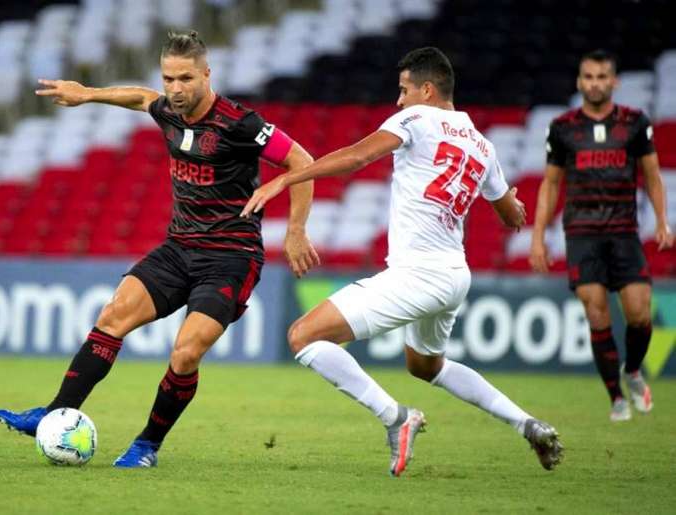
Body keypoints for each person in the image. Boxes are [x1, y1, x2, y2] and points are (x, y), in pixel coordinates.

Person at [0, 31, 320, 467]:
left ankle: (147, 444)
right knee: (113, 316)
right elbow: (139, 98)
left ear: (207, 74)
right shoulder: (167, 109)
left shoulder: (241, 123)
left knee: (185, 353)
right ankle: (53, 414)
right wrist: (88, 94)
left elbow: (301, 160)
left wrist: (296, 229)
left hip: (230, 258)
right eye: (169, 78)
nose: (175, 88)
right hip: (179, 248)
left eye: (186, 78)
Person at [241, 47, 563, 475]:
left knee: (303, 335)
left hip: (419, 273)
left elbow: (358, 156)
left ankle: (396, 417)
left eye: (404, 90)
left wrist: (288, 176)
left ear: (427, 90)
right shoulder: (482, 144)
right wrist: (515, 208)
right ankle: (528, 424)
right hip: (454, 275)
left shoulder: (416, 119)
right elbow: (509, 214)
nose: (398, 101)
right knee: (425, 365)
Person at [529, 49, 673, 422]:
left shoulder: (635, 123)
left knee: (640, 316)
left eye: (601, 76)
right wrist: (537, 237)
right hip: (581, 233)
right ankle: (616, 399)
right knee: (596, 314)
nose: (594, 83)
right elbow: (550, 185)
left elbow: (653, 175)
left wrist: (662, 220)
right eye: (588, 77)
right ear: (580, 82)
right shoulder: (562, 127)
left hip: (624, 231)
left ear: (614, 82)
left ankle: (633, 371)